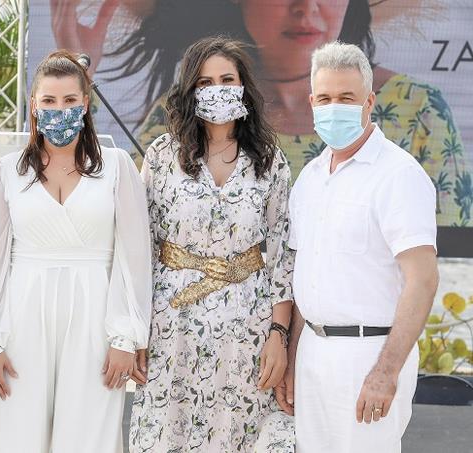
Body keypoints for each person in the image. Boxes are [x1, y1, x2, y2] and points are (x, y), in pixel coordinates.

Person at [52, 0, 467, 226]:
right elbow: (113, 203)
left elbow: (436, 257)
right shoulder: (192, 110)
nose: (306, 8)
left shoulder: (418, 112)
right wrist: (78, 82)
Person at [0, 50, 152, 453]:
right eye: (49, 101)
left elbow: (135, 259)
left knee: (87, 439)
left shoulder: (117, 166)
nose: (60, 110)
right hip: (21, 316)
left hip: (96, 317)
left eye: (70, 100)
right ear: (34, 106)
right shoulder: (8, 170)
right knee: (15, 437)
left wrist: (126, 336)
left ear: (85, 104)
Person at [129, 36, 294, 453]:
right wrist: (136, 334)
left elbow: (282, 255)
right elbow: (141, 249)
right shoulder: (162, 155)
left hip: (248, 330)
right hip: (172, 326)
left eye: (227, 80)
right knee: (168, 433)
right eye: (205, 82)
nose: (217, 89)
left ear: (243, 87)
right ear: (190, 90)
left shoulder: (270, 161)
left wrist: (279, 334)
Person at [284, 41, 439, 452]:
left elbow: (422, 280)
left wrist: (386, 372)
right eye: (325, 98)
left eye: (346, 98)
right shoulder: (309, 178)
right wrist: (294, 356)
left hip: (369, 355)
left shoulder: (398, 175)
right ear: (312, 103)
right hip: (312, 354)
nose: (334, 107)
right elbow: (303, 278)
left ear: (369, 102)